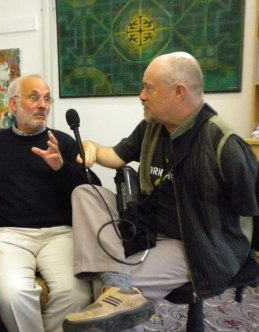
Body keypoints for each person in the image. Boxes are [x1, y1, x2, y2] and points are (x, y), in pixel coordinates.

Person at [62, 52, 259, 332]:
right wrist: (92, 147)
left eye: (149, 88)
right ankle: (118, 289)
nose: (141, 96)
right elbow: (115, 157)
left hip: (197, 244)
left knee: (102, 286)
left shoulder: (225, 144)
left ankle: (117, 290)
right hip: (148, 227)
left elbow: (250, 213)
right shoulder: (151, 127)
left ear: (179, 92)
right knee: (85, 191)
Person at [0, 74, 102, 332]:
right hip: (8, 235)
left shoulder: (62, 141)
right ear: (13, 104)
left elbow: (93, 191)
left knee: (77, 295)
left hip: (60, 234)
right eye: (34, 98)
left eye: (46, 98)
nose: (43, 105)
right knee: (12, 295)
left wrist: (61, 168)